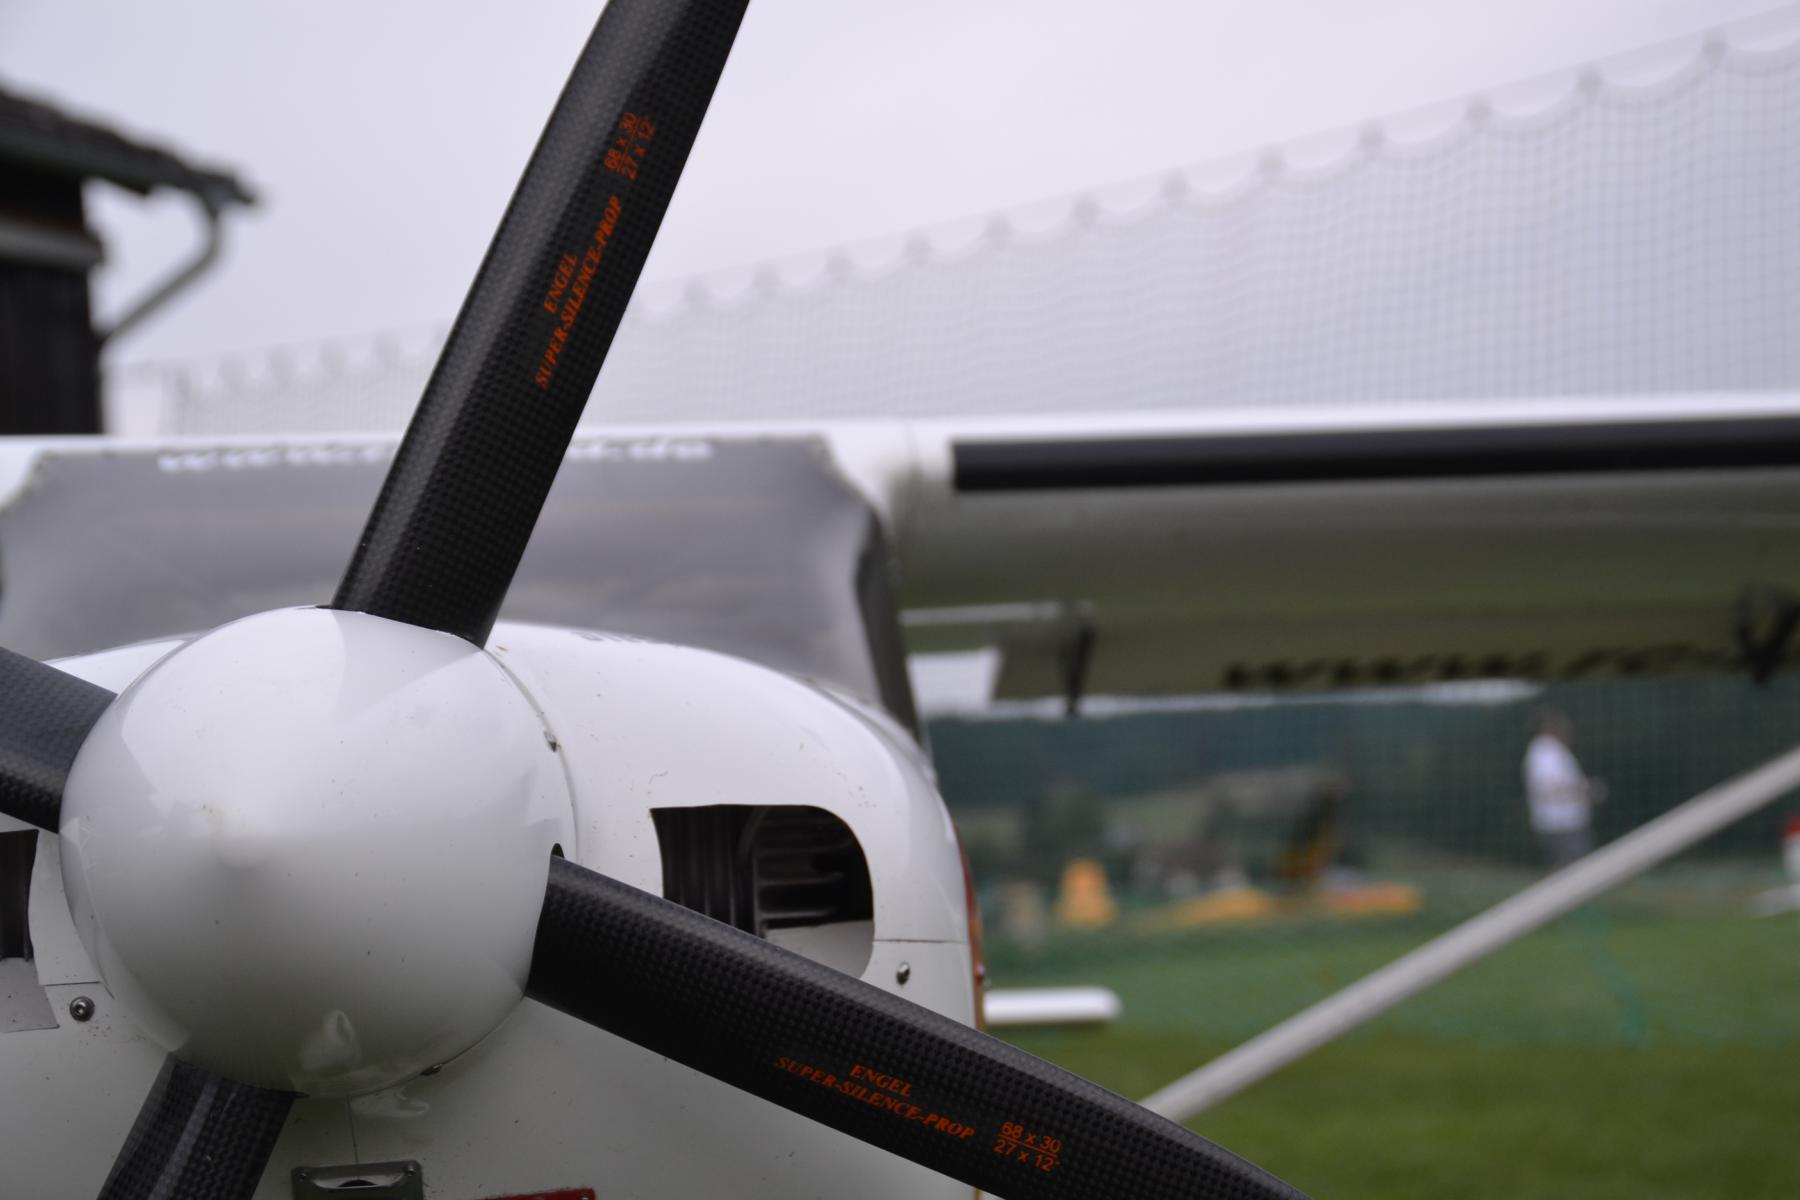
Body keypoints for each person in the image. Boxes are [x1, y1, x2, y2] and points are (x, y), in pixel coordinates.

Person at [1523, 712, 1601, 868]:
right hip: (1560, 822)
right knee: (1572, 868)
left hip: (1566, 821)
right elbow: (1548, 787)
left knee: (1573, 867)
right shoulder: (1545, 752)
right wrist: (1585, 789)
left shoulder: (1554, 750)